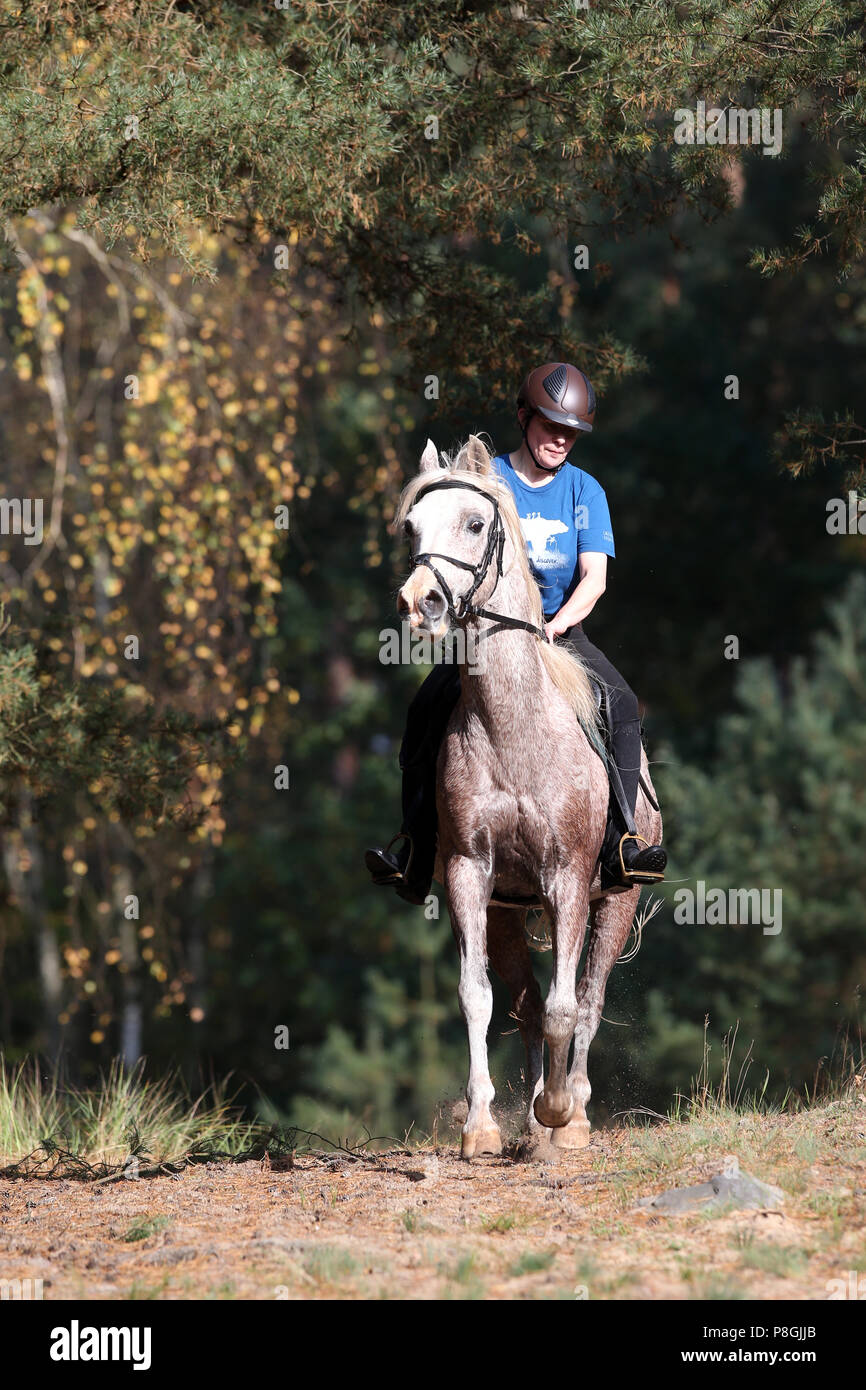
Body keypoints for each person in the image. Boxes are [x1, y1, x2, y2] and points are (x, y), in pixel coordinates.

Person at [365, 361, 667, 903]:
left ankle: (624, 838)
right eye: (551, 425)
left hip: (560, 633)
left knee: (620, 701)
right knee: (425, 707)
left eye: (570, 431)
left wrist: (555, 625)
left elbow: (594, 579)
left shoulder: (585, 491)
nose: (560, 438)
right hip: (484, 641)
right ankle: (413, 846)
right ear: (525, 418)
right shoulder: (489, 482)